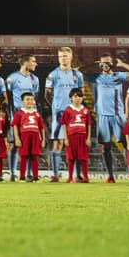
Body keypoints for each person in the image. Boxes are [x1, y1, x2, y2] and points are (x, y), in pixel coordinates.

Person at [86, 53, 129, 183]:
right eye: (103, 63)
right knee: (106, 147)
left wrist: (122, 64)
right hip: (102, 115)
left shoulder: (118, 76)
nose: (105, 65)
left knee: (126, 144)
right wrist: (92, 64)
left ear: (112, 64)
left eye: (108, 63)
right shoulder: (96, 77)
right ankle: (110, 175)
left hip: (118, 115)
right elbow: (79, 71)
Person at [45, 46, 85, 181]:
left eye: (66, 56)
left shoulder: (77, 75)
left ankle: (76, 175)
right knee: (58, 143)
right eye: (61, 56)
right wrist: (55, 106)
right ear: (58, 58)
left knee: (75, 144)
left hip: (74, 114)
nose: (63, 58)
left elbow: (81, 92)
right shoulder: (53, 74)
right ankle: (55, 175)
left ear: (71, 57)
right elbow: (47, 93)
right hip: (59, 114)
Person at [5, 55, 39, 182]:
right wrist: (11, 114)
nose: (36, 64)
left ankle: (29, 174)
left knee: (29, 146)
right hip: (16, 114)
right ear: (25, 63)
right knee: (13, 144)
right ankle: (13, 173)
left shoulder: (34, 79)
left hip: (29, 117)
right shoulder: (12, 78)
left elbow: (34, 97)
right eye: (33, 61)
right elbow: (8, 97)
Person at [11, 92, 45, 182]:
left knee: (35, 157)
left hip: (35, 137)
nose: (30, 101)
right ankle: (22, 177)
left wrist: (43, 140)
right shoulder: (19, 113)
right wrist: (17, 139)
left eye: (31, 99)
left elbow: (42, 128)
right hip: (24, 137)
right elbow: (15, 126)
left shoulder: (37, 114)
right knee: (24, 156)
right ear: (22, 101)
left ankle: (35, 177)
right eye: (27, 99)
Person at [60, 88, 92, 182]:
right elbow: (64, 124)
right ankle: (70, 177)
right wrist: (65, 138)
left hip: (82, 136)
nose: (77, 98)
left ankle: (86, 177)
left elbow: (88, 125)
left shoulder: (86, 110)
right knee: (71, 157)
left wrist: (88, 138)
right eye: (75, 96)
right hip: (71, 136)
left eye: (80, 96)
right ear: (71, 98)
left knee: (83, 158)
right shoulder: (68, 110)